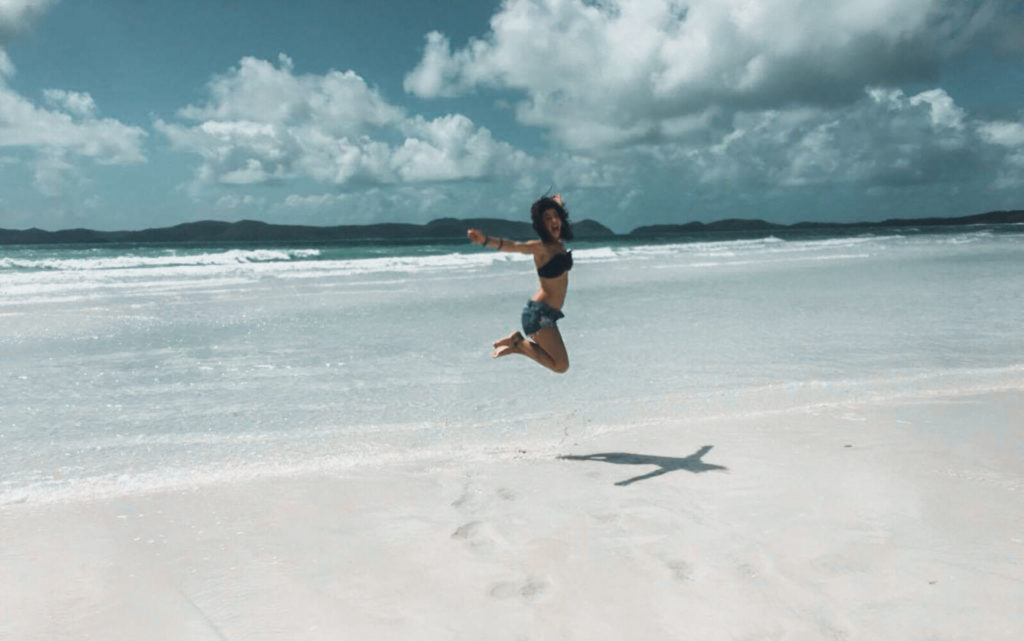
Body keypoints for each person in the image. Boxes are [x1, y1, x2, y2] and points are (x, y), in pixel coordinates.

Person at [467, 194, 574, 373]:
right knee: (561, 366)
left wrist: (557, 204)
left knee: (560, 364)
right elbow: (513, 246)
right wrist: (484, 240)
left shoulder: (558, 243)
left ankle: (517, 342)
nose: (554, 221)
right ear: (541, 225)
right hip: (538, 315)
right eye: (547, 218)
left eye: (556, 216)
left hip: (548, 313)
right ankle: (518, 344)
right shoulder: (540, 248)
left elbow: (556, 215)